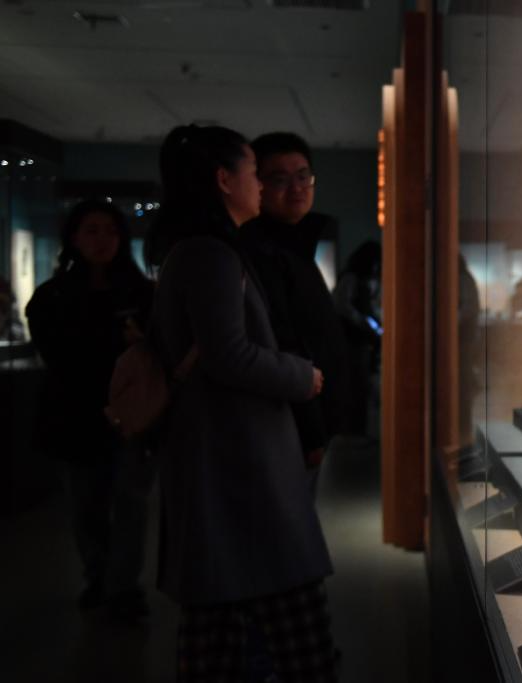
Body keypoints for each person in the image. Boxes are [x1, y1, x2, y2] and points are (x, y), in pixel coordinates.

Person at [145, 124, 337, 682]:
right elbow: (228, 354)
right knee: (284, 622)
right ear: (224, 180)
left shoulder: (203, 251)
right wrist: (302, 376)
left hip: (230, 455)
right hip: (237, 458)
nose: (261, 185)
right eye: (255, 173)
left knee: (225, 617)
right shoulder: (210, 254)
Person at [26, 199, 155, 620]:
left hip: (131, 417)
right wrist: (120, 344)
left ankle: (121, 586)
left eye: (111, 231)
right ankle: (100, 577)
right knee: (87, 506)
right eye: (92, 230)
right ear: (74, 237)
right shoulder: (52, 296)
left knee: (130, 503)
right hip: (75, 417)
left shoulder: (141, 293)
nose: (102, 240)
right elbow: (59, 356)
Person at [241, 132, 348, 467]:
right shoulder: (262, 251)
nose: (297, 188)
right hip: (287, 420)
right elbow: (284, 340)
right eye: (280, 179)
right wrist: (311, 431)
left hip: (310, 412)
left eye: (303, 177)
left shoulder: (296, 245)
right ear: (257, 184)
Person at [333, 240, 381, 438]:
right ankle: (354, 431)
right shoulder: (351, 279)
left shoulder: (363, 279)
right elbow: (343, 306)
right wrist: (366, 323)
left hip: (362, 339)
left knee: (362, 385)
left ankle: (359, 431)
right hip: (352, 339)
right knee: (356, 385)